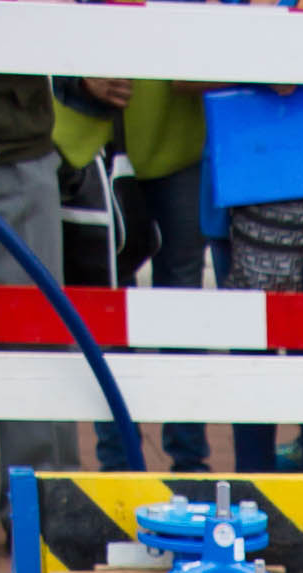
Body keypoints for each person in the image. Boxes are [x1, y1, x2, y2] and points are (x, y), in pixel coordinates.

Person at [51, 66, 211, 471]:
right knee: (106, 309)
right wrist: (77, 80)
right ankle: (121, 464)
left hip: (176, 140)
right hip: (89, 142)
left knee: (182, 306)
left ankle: (188, 461)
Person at [0, 74, 81, 534]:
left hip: (18, 142)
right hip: (17, 138)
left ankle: (42, 510)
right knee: (36, 332)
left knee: (35, 333)